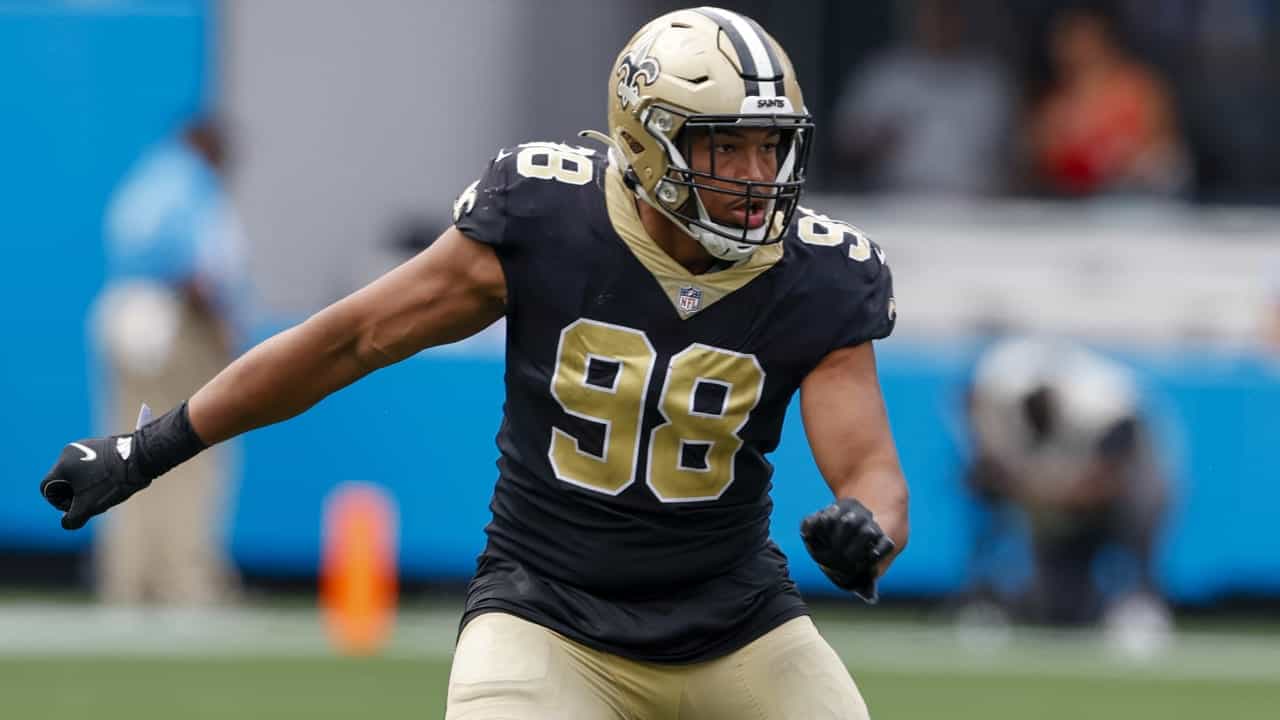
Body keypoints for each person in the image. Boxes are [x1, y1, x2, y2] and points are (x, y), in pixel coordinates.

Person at [41, 8, 908, 719]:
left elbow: (870, 467)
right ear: (651, 145)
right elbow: (349, 339)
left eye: (772, 145)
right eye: (729, 147)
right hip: (548, 616)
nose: (760, 176)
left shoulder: (819, 274)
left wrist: (867, 530)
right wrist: (149, 449)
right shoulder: (545, 217)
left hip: (738, 623)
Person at [91, 116, 250, 608]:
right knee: (188, 445)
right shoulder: (192, 187)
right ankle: (185, 580)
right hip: (177, 326)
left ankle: (128, 577)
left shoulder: (146, 181)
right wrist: (225, 324)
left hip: (124, 315)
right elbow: (194, 268)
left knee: (124, 450)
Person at [962, 336, 1169, 630]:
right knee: (1058, 608)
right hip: (1053, 496)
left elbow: (1112, 479)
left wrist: (1046, 494)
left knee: (1141, 508)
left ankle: (1141, 600)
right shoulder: (997, 389)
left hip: (1113, 488)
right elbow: (981, 451)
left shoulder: (1102, 405)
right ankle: (987, 596)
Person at [832, 0, 1015, 196]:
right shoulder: (885, 74)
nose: (940, 23)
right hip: (893, 198)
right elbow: (845, 144)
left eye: (948, 15)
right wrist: (879, 140)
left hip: (973, 201)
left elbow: (1013, 153)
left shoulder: (987, 79)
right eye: (932, 15)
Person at [1025, 7, 1189, 197]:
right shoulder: (1054, 104)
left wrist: (1122, 156)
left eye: (1083, 39)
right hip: (1072, 201)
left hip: (1134, 197)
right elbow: (1039, 155)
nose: (1075, 50)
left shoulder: (1138, 90)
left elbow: (1164, 146)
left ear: (1102, 41)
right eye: (1068, 41)